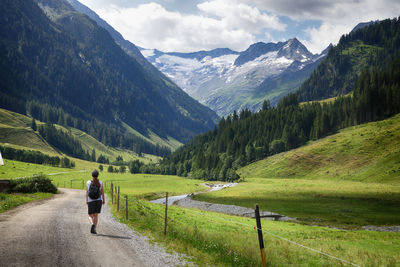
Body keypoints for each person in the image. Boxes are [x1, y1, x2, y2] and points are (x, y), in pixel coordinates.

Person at [86, 169, 105, 234]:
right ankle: (94, 229)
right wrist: (103, 200)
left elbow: (87, 192)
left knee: (90, 215)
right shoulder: (100, 182)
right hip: (98, 200)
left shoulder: (88, 182)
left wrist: (87, 200)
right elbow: (102, 192)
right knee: (96, 216)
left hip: (91, 200)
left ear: (92, 175)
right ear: (98, 175)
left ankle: (92, 224)